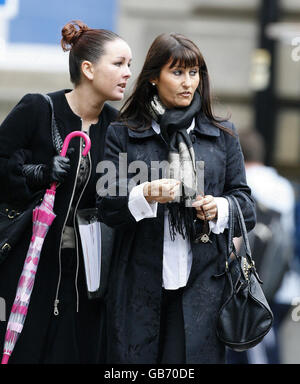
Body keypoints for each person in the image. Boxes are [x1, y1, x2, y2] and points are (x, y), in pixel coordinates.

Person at [97, 32, 256, 364]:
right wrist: (145, 193)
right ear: (154, 77)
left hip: (204, 290)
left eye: (194, 72)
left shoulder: (221, 135)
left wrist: (220, 208)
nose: (188, 82)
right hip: (138, 287)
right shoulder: (125, 133)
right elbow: (107, 206)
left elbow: (246, 205)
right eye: (177, 72)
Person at [0, 20, 132, 363]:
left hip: (84, 273)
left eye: (129, 65)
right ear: (87, 68)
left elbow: (117, 199)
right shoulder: (38, 109)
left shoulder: (118, 129)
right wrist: (38, 172)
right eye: (118, 64)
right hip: (25, 261)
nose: (127, 73)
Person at [227, 129, 298, 364]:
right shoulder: (283, 186)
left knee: (246, 348)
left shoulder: (243, 186)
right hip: (283, 284)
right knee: (268, 343)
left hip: (251, 287)